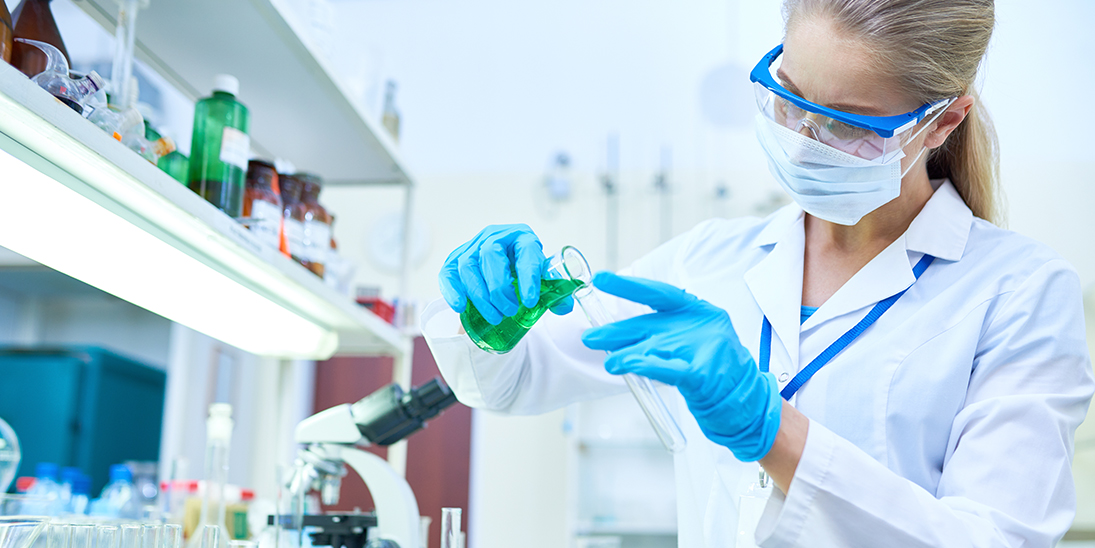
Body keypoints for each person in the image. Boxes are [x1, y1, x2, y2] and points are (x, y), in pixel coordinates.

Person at [421, 0, 1095, 546]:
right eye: (789, 97)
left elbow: (992, 539)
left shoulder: (1018, 292)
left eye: (846, 126)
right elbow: (515, 379)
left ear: (941, 122)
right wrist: (487, 312)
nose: (801, 137)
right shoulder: (707, 260)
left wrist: (771, 430)